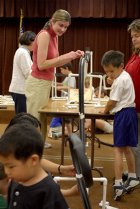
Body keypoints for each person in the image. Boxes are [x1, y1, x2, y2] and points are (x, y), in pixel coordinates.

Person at [25, 9, 84, 148]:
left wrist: (73, 55)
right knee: (35, 121)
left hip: (44, 83)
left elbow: (55, 61)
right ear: (52, 21)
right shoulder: (45, 35)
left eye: (66, 27)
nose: (63, 29)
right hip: (37, 83)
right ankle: (31, 154)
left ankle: (37, 152)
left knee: (42, 120)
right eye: (61, 25)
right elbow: (41, 65)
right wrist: (66, 56)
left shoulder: (54, 36)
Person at [0, 124, 70, 209]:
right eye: (4, 166)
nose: (6, 172)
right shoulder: (15, 181)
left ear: (33, 160)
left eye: (11, 166)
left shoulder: (49, 190)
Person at [101, 50, 139, 201]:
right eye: (107, 72)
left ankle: (118, 183)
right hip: (131, 113)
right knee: (127, 147)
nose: (109, 75)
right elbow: (119, 85)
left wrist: (104, 110)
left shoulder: (119, 80)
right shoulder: (125, 75)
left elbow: (112, 102)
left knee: (117, 149)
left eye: (111, 71)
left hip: (122, 115)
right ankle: (132, 176)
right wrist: (113, 78)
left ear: (121, 66)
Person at [125, 19, 140, 180]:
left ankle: (136, 176)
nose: (134, 39)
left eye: (137, 36)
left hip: (139, 107)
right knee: (133, 145)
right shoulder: (135, 54)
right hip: (133, 106)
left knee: (136, 146)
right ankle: (133, 172)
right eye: (132, 36)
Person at [9, 31, 36, 114]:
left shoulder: (24, 52)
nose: (36, 45)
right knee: (22, 117)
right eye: (35, 42)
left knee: (22, 116)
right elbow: (28, 72)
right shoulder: (23, 53)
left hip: (21, 90)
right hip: (20, 90)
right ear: (30, 41)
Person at [48, 62, 76, 138]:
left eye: (62, 70)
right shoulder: (68, 77)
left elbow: (71, 88)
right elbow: (64, 84)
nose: (61, 72)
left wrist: (60, 88)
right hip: (65, 100)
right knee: (64, 118)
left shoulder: (71, 76)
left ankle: (69, 133)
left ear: (67, 68)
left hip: (68, 101)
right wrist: (55, 83)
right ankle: (67, 132)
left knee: (66, 118)